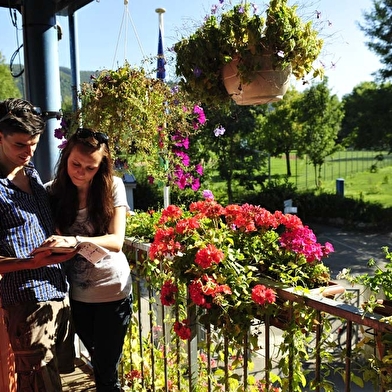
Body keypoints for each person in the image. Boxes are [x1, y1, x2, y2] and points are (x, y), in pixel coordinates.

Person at [46, 128, 132, 392]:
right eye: (76, 164)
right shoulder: (52, 193)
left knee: (106, 374)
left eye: (90, 168)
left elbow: (116, 241)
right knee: (99, 364)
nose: (81, 172)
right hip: (80, 295)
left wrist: (73, 241)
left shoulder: (111, 187)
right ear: (66, 157)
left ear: (101, 168)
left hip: (113, 291)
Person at [0, 98, 77, 391]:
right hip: (26, 301)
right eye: (20, 144)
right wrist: (32, 262)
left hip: (58, 293)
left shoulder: (30, 173)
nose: (29, 152)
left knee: (58, 381)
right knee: (39, 386)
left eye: (33, 143)